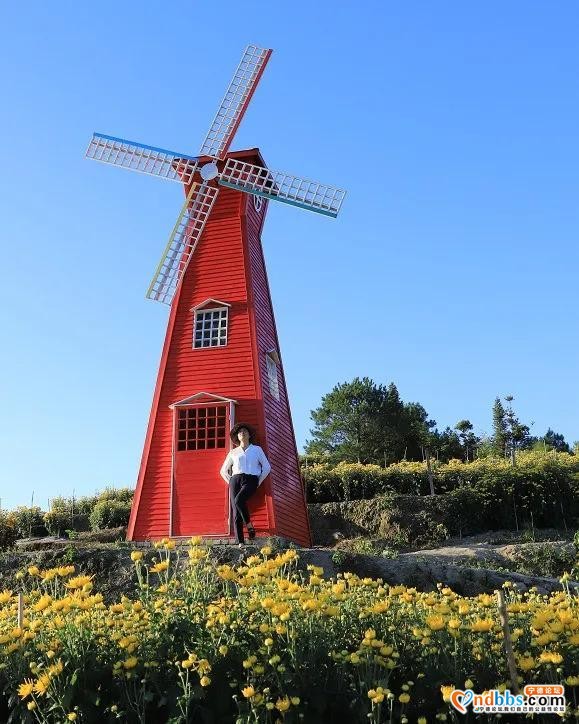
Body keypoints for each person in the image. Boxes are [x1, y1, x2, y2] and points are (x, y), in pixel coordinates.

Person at [220, 423, 271, 544]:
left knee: (238, 501)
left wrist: (258, 481)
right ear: (237, 437)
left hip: (251, 479)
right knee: (236, 512)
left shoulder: (257, 449)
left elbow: (267, 467)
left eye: (244, 431)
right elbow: (223, 470)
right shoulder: (233, 452)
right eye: (239, 432)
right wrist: (230, 481)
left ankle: (248, 524)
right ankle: (240, 542)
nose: (242, 433)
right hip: (235, 479)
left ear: (249, 435)